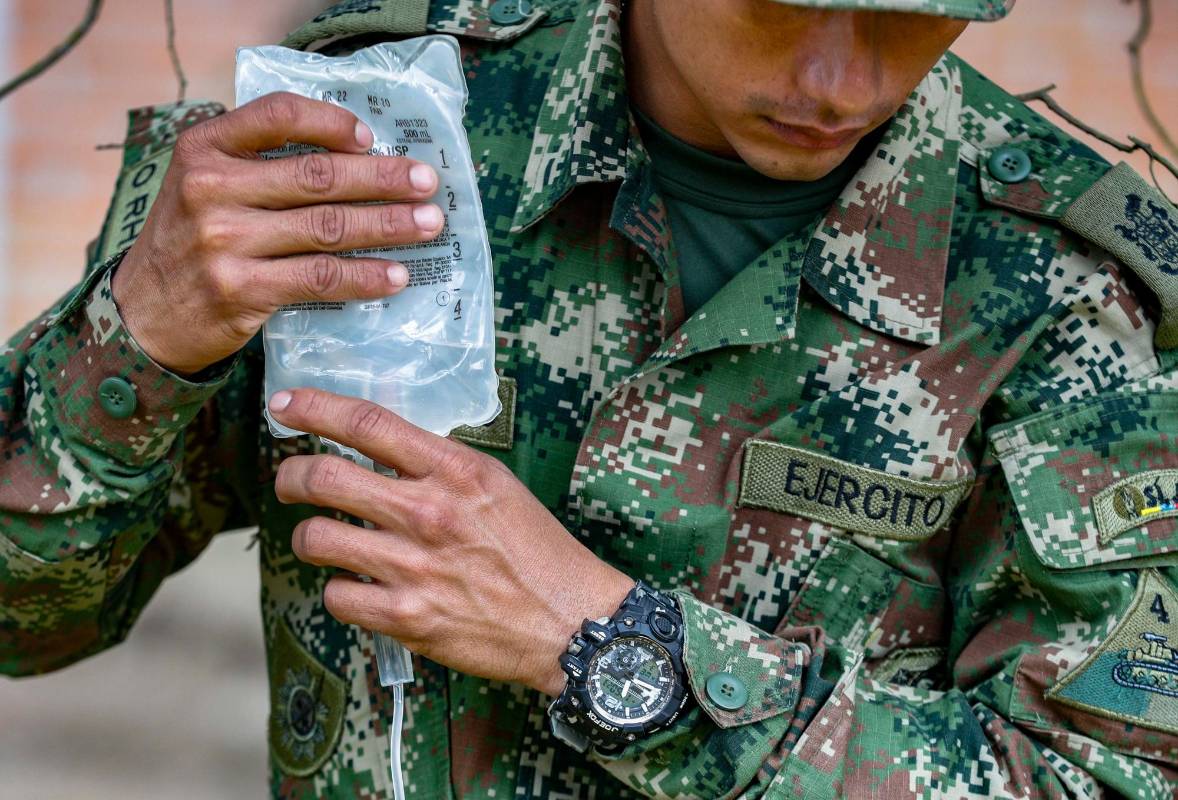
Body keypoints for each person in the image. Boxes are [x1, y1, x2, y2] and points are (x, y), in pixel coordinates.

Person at [3, 0, 1177, 796]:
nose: (836, 78)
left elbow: (1105, 774)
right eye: (777, 0)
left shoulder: (1059, 286)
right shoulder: (373, 133)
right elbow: (24, 615)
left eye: (908, 13)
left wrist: (616, 650)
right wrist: (141, 329)